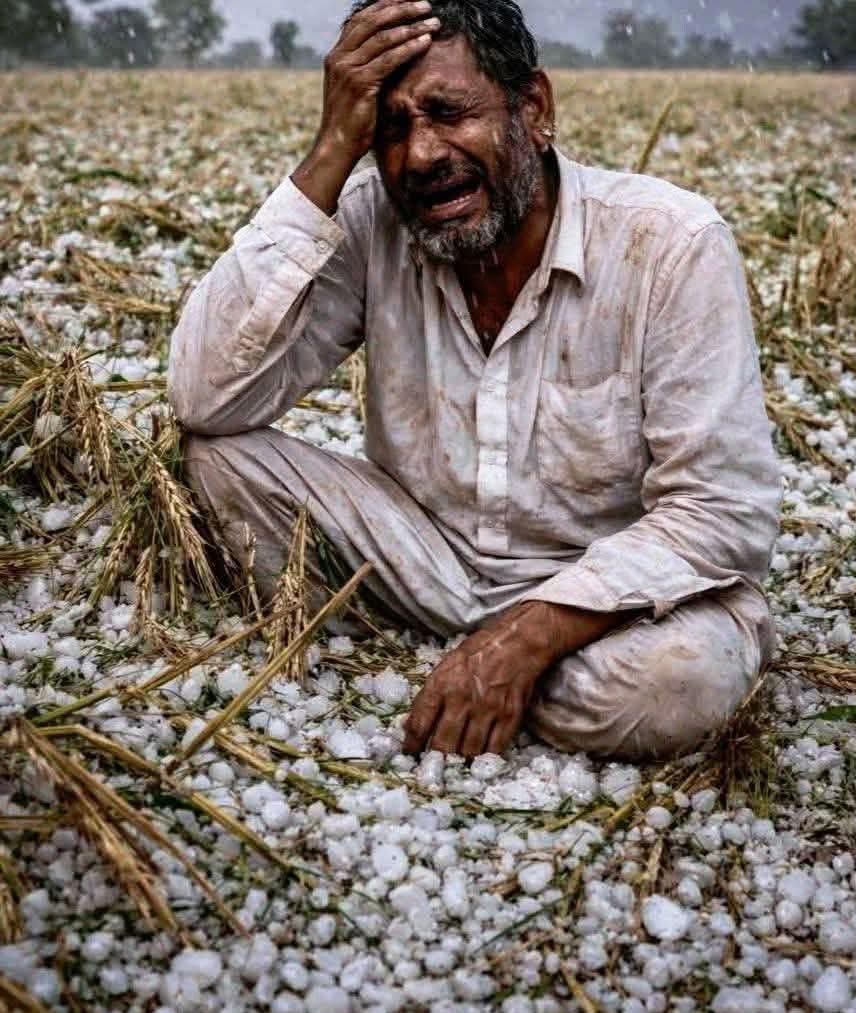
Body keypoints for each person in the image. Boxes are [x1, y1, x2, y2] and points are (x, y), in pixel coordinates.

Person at [168, 0, 780, 763]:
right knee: (218, 456)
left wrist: (531, 633)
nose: (421, 154)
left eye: (449, 112)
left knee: (682, 681)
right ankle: (491, 673)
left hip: (603, 591)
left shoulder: (672, 244)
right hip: (429, 559)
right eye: (389, 128)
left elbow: (723, 511)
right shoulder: (373, 220)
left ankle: (482, 668)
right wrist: (329, 153)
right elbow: (203, 395)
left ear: (535, 110)